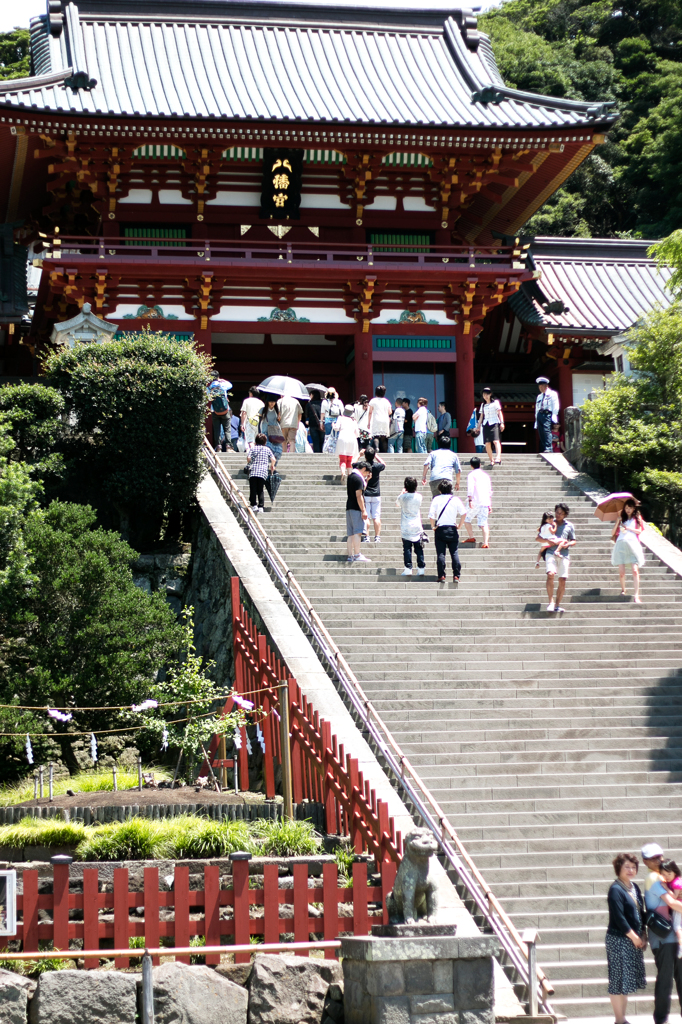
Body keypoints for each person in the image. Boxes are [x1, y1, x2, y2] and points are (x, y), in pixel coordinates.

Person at [641, 841, 682, 1024]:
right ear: (645, 862)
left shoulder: (663, 876)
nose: (658, 860)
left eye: (660, 856)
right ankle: (661, 1019)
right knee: (666, 980)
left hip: (674, 935)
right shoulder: (653, 878)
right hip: (663, 937)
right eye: (653, 858)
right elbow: (672, 903)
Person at [606, 852, 647, 1024]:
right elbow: (619, 918)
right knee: (617, 980)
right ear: (618, 868)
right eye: (627, 867)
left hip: (633, 939)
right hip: (618, 939)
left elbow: (640, 912)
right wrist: (634, 937)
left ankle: (622, 1018)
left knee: (625, 980)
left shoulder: (634, 887)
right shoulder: (616, 889)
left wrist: (643, 933)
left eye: (633, 867)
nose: (631, 870)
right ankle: (619, 1019)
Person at [541, 502, 576, 613]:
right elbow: (539, 536)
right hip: (550, 552)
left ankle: (557, 605)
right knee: (550, 574)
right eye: (557, 512)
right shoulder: (549, 523)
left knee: (562, 579)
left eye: (561, 513)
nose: (558, 515)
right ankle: (551, 602)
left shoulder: (569, 526)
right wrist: (547, 541)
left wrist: (568, 544)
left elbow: (573, 540)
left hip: (564, 554)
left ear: (565, 514)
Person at [429, 480, 466, 583]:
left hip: (440, 529)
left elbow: (431, 515)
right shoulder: (455, 499)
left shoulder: (436, 499)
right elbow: (464, 513)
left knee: (441, 554)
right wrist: (459, 525)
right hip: (452, 529)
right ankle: (456, 576)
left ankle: (441, 575)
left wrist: (433, 526)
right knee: (454, 553)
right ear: (450, 489)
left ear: (440, 489)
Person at [611, 498, 646, 604]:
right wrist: (618, 521)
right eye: (626, 508)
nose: (628, 510)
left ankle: (636, 595)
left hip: (633, 545)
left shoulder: (637, 517)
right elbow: (612, 533)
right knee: (621, 572)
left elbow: (639, 531)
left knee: (635, 570)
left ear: (634, 508)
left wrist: (628, 528)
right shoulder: (622, 518)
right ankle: (623, 590)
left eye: (630, 508)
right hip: (621, 544)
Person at [396, 476, 425, 576]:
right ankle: (421, 568)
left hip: (406, 526)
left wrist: (402, 492)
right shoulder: (419, 496)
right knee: (419, 548)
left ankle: (408, 568)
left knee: (407, 548)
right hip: (417, 525)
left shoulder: (403, 497)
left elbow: (397, 504)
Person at [356, 446, 385, 543]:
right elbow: (383, 464)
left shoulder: (363, 466)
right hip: (376, 494)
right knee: (376, 517)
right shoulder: (377, 466)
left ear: (365, 456)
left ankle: (367, 536)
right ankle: (377, 537)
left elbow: (353, 463)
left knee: (366, 517)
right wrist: (376, 456)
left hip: (366, 493)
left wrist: (359, 455)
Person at [346, 460, 372, 563]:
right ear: (364, 469)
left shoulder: (351, 476)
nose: (366, 475)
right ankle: (357, 555)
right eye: (367, 472)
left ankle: (350, 556)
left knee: (350, 533)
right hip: (356, 508)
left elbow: (361, 488)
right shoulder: (358, 479)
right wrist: (364, 510)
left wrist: (366, 480)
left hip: (349, 507)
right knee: (358, 532)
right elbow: (359, 495)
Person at [463, 456, 492, 548]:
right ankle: (486, 542)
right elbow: (489, 490)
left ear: (471, 465)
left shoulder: (471, 475)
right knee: (484, 522)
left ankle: (471, 537)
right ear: (480, 464)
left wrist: (470, 499)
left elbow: (470, 488)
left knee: (466, 519)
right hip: (485, 502)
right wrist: (489, 503)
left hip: (475, 501)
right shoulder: (486, 475)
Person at [422, 432, 462, 497]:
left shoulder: (433, 453)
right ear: (450, 445)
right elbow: (458, 470)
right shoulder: (453, 455)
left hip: (435, 479)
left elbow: (426, 464)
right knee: (448, 499)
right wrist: (457, 483)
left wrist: (424, 477)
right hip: (447, 478)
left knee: (436, 499)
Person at [246, 432, 275, 514]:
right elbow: (273, 459)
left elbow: (248, 458)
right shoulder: (267, 449)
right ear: (265, 442)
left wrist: (250, 462)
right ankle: (261, 506)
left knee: (253, 489)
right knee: (260, 489)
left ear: (256, 441)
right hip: (263, 472)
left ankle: (254, 505)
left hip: (253, 471)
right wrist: (272, 466)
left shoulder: (253, 448)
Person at [477, 387, 505, 467]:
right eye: (484, 395)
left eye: (487, 394)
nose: (485, 396)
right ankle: (491, 460)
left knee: (496, 441)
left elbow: (499, 413)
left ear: (490, 394)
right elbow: (481, 416)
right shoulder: (483, 405)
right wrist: (478, 426)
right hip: (486, 424)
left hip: (494, 422)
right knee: (487, 443)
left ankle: (498, 457)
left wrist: (502, 423)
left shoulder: (495, 402)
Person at [660, 860, 682, 956]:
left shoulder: (676, 882)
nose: (667, 877)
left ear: (675, 872)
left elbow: (674, 897)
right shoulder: (675, 880)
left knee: (677, 926)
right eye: (664, 874)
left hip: (678, 906)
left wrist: (666, 888)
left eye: (669, 874)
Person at [334, 404, 360, 480]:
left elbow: (336, 428)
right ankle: (349, 474)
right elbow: (357, 434)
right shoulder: (354, 421)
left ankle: (343, 472)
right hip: (352, 439)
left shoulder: (340, 418)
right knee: (350, 458)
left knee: (342, 458)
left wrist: (333, 425)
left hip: (342, 437)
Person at [535, 377, 560, 453]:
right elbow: (537, 408)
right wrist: (536, 419)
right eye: (539, 387)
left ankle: (548, 448)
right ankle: (544, 447)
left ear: (546, 386)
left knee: (546, 431)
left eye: (542, 386)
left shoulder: (552, 394)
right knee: (541, 432)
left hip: (547, 414)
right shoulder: (539, 396)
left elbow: (555, 404)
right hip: (540, 414)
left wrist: (554, 414)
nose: (540, 388)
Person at [207, 374, 230, 452]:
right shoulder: (222, 385)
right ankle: (228, 447)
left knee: (217, 429)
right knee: (227, 429)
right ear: (218, 377)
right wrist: (223, 380)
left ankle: (218, 447)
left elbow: (208, 397)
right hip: (225, 410)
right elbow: (230, 385)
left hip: (214, 411)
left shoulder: (210, 387)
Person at [367, 384, 392, 454]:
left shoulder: (373, 401)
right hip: (385, 420)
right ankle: (384, 451)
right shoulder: (386, 401)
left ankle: (377, 448)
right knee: (384, 437)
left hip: (376, 419)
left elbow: (370, 412)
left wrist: (368, 422)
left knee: (376, 436)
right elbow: (390, 412)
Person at [259, 396, 284, 463]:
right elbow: (259, 422)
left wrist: (279, 418)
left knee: (277, 450)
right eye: (270, 401)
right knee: (267, 448)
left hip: (275, 432)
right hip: (265, 431)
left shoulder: (277, 410)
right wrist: (259, 432)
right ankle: (267, 463)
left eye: (273, 402)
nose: (272, 403)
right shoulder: (263, 410)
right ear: (267, 402)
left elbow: (278, 422)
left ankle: (274, 465)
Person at [240, 387, 264, 451]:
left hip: (249, 422)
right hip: (258, 422)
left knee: (250, 440)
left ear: (251, 393)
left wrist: (242, 424)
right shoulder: (261, 402)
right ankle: (257, 452)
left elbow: (244, 413)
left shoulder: (246, 401)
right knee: (257, 440)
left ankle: (253, 453)